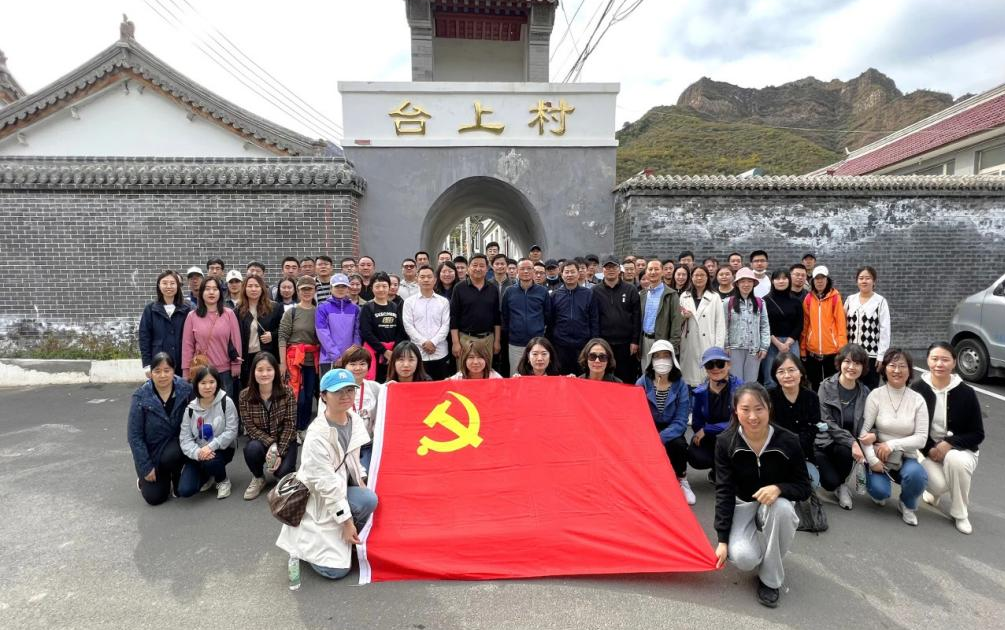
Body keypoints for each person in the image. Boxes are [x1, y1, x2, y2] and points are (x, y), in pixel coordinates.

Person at [713, 383, 812, 608]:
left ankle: (770, 579)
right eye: (745, 409)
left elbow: (804, 487)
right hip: (742, 504)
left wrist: (779, 488)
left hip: (774, 505)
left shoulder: (788, 441)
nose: (753, 416)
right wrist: (722, 540)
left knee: (784, 510)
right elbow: (724, 491)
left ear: (769, 408)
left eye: (759, 409)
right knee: (745, 559)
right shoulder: (725, 442)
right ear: (735, 411)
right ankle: (760, 551)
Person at [276, 368, 377, 581]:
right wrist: (347, 522)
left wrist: (363, 479)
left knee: (368, 499)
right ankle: (304, 550)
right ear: (323, 396)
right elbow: (326, 486)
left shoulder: (354, 420)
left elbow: (354, 461)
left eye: (350, 390)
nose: (346, 396)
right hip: (318, 500)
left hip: (337, 490)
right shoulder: (316, 435)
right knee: (337, 571)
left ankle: (343, 539)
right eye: (338, 391)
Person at [912, 342, 985, 534]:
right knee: (938, 485)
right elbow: (913, 428)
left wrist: (949, 444)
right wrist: (930, 450)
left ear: (954, 363)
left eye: (945, 360)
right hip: (927, 451)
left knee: (955, 460)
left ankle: (960, 513)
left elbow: (978, 434)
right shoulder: (918, 389)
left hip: (962, 451)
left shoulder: (966, 392)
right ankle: (934, 493)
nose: (939, 364)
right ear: (927, 360)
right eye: (934, 359)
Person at [859, 348, 929, 526]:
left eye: (902, 366)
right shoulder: (875, 395)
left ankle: (907, 504)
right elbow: (864, 433)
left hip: (907, 456)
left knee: (917, 475)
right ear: (884, 369)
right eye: (892, 365)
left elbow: (921, 438)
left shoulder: (918, 400)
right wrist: (872, 460)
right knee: (879, 493)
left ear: (910, 370)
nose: (897, 370)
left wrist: (891, 444)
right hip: (880, 456)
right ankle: (876, 485)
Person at [128, 352, 193, 505]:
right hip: (152, 453)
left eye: (167, 370)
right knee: (155, 498)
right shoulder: (141, 397)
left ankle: (177, 475)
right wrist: (146, 466)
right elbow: (134, 436)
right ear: (151, 373)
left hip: (177, 448)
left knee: (174, 453)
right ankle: (147, 480)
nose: (162, 375)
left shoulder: (185, 390)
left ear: (173, 370)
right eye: (157, 371)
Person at [636, 340, 693, 504]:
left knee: (679, 445)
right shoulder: (642, 383)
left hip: (672, 427)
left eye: (666, 356)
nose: (662, 360)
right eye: (657, 356)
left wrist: (660, 438)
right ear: (651, 360)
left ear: (673, 359)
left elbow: (682, 420)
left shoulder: (680, 384)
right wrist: (650, 435)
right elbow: (637, 414)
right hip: (648, 428)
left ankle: (681, 478)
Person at [815, 343, 871, 509]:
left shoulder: (865, 393)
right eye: (847, 361)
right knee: (829, 483)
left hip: (845, 448)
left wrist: (869, 435)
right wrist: (853, 442)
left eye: (857, 363)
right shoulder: (825, 386)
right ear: (840, 362)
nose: (851, 367)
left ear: (863, 367)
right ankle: (836, 483)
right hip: (823, 443)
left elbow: (869, 421)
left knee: (844, 451)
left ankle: (843, 486)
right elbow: (826, 421)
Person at [239, 352, 298, 500]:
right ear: (253, 372)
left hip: (284, 440)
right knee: (251, 449)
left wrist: (279, 452)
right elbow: (250, 428)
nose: (264, 374)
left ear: (275, 371)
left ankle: (286, 473)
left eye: (269, 369)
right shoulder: (244, 396)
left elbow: (290, 425)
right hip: (261, 442)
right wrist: (271, 444)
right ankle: (259, 477)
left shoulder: (287, 392)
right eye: (260, 370)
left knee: (282, 473)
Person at [178, 365, 239, 499]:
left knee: (212, 462)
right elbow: (185, 439)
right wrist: (198, 453)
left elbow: (232, 430)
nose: (208, 387)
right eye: (203, 383)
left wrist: (210, 447)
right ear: (196, 385)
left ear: (217, 383)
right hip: (199, 452)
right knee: (185, 490)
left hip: (222, 449)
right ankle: (208, 474)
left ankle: (222, 480)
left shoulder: (226, 402)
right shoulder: (190, 409)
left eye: (211, 382)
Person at [689, 346, 743, 482]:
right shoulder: (700, 392)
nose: (715, 368)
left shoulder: (740, 388)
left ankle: (735, 472)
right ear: (705, 369)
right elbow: (697, 423)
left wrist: (708, 429)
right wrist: (704, 431)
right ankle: (717, 469)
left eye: (720, 363)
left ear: (728, 364)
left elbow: (741, 421)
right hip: (714, 439)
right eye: (709, 364)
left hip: (735, 436)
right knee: (696, 454)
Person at [768, 353, 821, 489]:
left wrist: (795, 448)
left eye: (791, 370)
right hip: (776, 452)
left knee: (808, 484)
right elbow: (769, 429)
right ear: (775, 376)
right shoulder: (769, 397)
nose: (787, 375)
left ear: (801, 372)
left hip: (804, 453)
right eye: (781, 371)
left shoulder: (812, 397)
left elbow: (813, 429)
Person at [180, 276, 242, 395]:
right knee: (203, 409)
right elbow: (187, 346)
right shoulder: (192, 316)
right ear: (201, 292)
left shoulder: (229, 314)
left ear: (220, 292)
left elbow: (236, 341)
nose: (211, 292)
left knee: (224, 407)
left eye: (215, 289)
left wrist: (236, 364)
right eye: (207, 289)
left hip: (225, 372)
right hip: (201, 370)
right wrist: (186, 371)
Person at [329, 345, 386, 469]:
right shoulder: (334, 390)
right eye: (352, 364)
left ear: (368, 366)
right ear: (344, 366)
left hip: (367, 445)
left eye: (362, 364)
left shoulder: (375, 388)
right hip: (343, 447)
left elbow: (391, 392)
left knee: (369, 477)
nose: (358, 368)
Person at [278, 276, 320, 441]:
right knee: (296, 396)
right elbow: (282, 337)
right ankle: (291, 429)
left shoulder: (319, 312)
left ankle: (303, 427)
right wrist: (282, 364)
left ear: (314, 291)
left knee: (309, 396)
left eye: (310, 289)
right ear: (298, 291)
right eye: (303, 289)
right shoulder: (291, 312)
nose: (307, 292)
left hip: (311, 360)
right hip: (293, 360)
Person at [594, 255, 642, 384]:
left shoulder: (630, 289)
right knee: (605, 378)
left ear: (619, 269)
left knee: (626, 378)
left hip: (626, 344)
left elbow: (636, 316)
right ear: (602, 270)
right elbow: (593, 317)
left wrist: (634, 341)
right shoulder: (595, 291)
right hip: (604, 343)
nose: (610, 270)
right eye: (607, 267)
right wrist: (596, 341)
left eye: (613, 267)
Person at [449, 254, 501, 370]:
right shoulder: (459, 288)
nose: (478, 268)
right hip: (465, 339)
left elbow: (497, 317)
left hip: (488, 339)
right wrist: (456, 343)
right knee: (465, 373)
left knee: (486, 372)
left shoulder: (493, 289)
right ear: (468, 268)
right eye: (475, 265)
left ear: (487, 269)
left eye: (482, 266)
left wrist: (497, 341)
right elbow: (454, 316)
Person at [502, 258, 551, 376]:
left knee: (538, 376)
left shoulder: (542, 292)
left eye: (529, 268)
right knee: (516, 376)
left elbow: (547, 315)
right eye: (522, 269)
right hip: (516, 343)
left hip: (537, 343)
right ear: (517, 271)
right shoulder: (509, 291)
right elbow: (505, 315)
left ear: (534, 271)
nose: (526, 271)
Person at [548, 260, 600, 374]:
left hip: (582, 345)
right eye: (566, 272)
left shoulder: (588, 294)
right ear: (562, 274)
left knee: (581, 377)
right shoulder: (555, 295)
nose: (570, 275)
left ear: (578, 273)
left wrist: (594, 342)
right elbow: (551, 321)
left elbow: (594, 320)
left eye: (573, 272)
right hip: (560, 345)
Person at [801, 266, 847, 391]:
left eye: (822, 278)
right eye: (817, 279)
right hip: (813, 351)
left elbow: (841, 324)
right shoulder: (808, 299)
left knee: (832, 385)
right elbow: (805, 325)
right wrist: (803, 349)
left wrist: (842, 349)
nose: (819, 281)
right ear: (813, 281)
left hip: (832, 352)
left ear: (827, 280)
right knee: (815, 384)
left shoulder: (835, 298)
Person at [844, 266, 890, 390]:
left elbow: (885, 330)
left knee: (869, 389)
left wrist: (881, 355)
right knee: (851, 386)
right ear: (857, 281)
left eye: (868, 278)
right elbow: (843, 326)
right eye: (861, 278)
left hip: (871, 355)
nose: (864, 281)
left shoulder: (880, 301)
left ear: (874, 281)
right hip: (851, 353)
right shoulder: (850, 300)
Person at [679, 265, 726, 388]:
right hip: (689, 343)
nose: (699, 278)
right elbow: (677, 321)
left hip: (708, 342)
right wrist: (683, 316)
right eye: (696, 275)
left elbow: (720, 324)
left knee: (706, 377)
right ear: (691, 278)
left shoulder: (714, 297)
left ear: (707, 278)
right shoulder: (684, 296)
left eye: (702, 275)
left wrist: (718, 348)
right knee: (689, 379)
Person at [402, 265, 452, 380]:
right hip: (418, 353)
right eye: (422, 277)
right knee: (420, 389)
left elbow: (446, 325)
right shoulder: (409, 302)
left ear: (435, 280)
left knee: (441, 388)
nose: (426, 280)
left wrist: (433, 342)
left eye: (429, 277)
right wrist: (424, 342)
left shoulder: (443, 302)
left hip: (440, 352)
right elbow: (408, 326)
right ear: (417, 279)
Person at [139, 270, 191, 378]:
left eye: (172, 283)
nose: (168, 286)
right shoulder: (150, 309)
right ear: (159, 285)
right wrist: (147, 365)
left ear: (178, 286)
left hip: (183, 362)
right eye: (164, 283)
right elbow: (144, 338)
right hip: (159, 361)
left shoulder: (187, 308)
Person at [358, 272, 407, 383]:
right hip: (374, 353)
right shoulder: (367, 307)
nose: (381, 289)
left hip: (393, 353)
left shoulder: (395, 306)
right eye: (377, 286)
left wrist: (393, 351)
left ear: (389, 287)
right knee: (376, 384)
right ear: (372, 288)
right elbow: (366, 332)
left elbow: (401, 330)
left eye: (384, 286)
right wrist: (384, 351)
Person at [725, 268, 770, 383]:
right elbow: (723, 325)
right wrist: (726, 346)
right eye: (742, 281)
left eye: (749, 281)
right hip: (734, 349)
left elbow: (764, 326)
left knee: (751, 383)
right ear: (737, 284)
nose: (746, 284)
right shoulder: (727, 302)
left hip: (754, 350)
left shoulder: (760, 303)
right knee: (735, 382)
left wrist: (764, 347)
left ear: (753, 284)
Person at [237, 275, 282, 388]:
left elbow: (283, 331)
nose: (253, 289)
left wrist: (272, 335)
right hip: (246, 358)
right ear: (244, 289)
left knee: (268, 388)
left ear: (262, 288)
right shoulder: (238, 310)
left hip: (267, 355)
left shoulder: (274, 307)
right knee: (249, 388)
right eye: (250, 286)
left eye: (257, 286)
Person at [639, 259, 684, 371]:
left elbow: (676, 322)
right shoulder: (643, 294)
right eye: (650, 269)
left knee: (660, 373)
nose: (653, 272)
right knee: (645, 372)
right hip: (644, 340)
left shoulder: (671, 295)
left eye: (656, 269)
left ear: (663, 272)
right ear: (646, 272)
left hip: (661, 341)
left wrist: (672, 346)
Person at [762, 270, 803, 388]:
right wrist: (778, 344)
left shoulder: (796, 301)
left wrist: (788, 343)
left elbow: (799, 324)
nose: (781, 281)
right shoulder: (765, 301)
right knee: (770, 379)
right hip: (771, 343)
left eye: (784, 278)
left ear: (789, 281)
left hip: (792, 343)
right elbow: (764, 324)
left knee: (793, 376)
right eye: (778, 278)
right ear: (772, 281)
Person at [316, 273, 362, 378]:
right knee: (329, 391)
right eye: (337, 286)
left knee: (350, 390)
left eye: (344, 286)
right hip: (328, 359)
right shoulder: (322, 308)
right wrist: (335, 356)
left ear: (348, 288)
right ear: (331, 288)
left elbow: (357, 333)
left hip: (350, 360)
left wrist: (353, 353)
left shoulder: (355, 309)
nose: (340, 289)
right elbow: (323, 333)